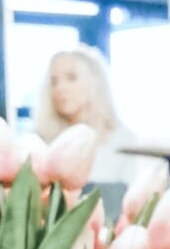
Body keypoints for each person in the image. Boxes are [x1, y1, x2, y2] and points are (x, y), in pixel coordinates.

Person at [34, 47, 130, 184]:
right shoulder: (41, 144)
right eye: (54, 81)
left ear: (95, 82)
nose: (60, 88)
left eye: (71, 78)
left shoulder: (125, 143)